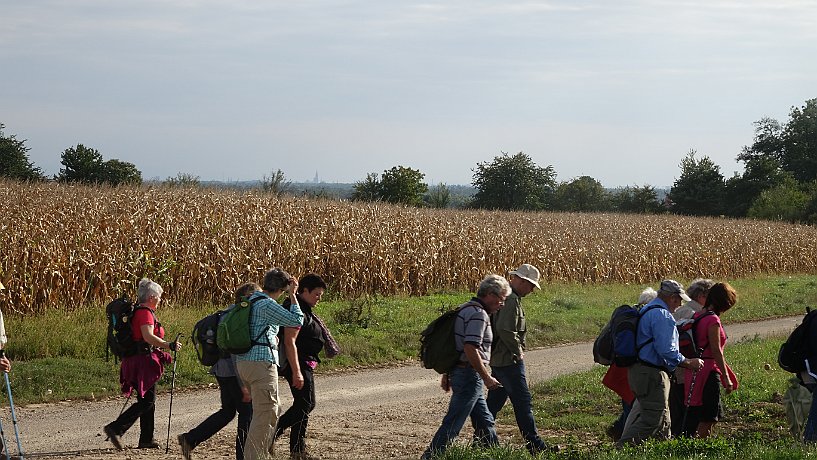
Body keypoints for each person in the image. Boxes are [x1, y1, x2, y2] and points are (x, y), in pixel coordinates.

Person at [421, 274, 511, 460]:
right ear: (488, 294)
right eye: (501, 299)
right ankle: (431, 457)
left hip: (463, 373)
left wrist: (449, 372)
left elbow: (456, 345)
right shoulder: (479, 315)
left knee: (485, 421)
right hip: (470, 375)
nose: (502, 304)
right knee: (453, 422)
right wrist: (486, 376)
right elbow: (470, 347)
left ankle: (494, 454)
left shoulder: (466, 308)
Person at [617, 279, 704, 446]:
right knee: (653, 420)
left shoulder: (648, 310)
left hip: (641, 372)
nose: (679, 304)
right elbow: (667, 350)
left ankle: (662, 449)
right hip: (652, 374)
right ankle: (619, 450)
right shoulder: (662, 315)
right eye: (679, 300)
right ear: (672, 298)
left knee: (663, 418)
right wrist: (687, 362)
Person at [178, 282, 260, 460]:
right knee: (247, 413)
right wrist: (243, 384)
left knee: (228, 411)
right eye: (257, 297)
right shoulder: (237, 317)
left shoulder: (226, 313)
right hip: (233, 372)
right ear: (247, 298)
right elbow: (235, 353)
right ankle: (243, 456)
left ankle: (190, 439)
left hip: (221, 370)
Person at [476, 264, 550, 455]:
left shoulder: (507, 297)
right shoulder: (510, 299)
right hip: (508, 359)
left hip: (499, 359)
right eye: (531, 285)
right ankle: (535, 445)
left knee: (495, 401)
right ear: (521, 281)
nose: (532, 289)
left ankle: (481, 440)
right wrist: (517, 351)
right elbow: (506, 329)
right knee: (523, 402)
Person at [104, 278, 182, 450]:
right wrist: (168, 345)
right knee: (147, 401)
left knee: (147, 400)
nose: (161, 300)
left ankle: (146, 439)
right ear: (152, 297)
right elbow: (147, 337)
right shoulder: (144, 312)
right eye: (159, 296)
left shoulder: (141, 311)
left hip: (139, 359)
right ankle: (116, 428)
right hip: (142, 361)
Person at [235, 268, 304, 460]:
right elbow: (296, 320)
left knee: (268, 410)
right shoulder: (266, 304)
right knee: (266, 412)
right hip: (261, 363)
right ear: (281, 288)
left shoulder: (249, 300)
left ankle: (259, 453)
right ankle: (254, 457)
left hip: (244, 363)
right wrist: (293, 294)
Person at [275, 273, 340, 460]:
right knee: (306, 404)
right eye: (316, 294)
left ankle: (297, 450)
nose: (319, 298)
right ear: (304, 291)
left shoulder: (304, 308)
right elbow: (290, 342)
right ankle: (276, 434)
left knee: (304, 404)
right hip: (297, 363)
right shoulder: (295, 309)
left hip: (304, 362)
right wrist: (296, 371)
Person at [683, 282, 738, 438]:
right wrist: (726, 377)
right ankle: (701, 447)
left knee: (701, 413)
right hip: (708, 371)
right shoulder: (713, 320)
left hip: (695, 370)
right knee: (710, 416)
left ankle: (699, 443)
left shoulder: (698, 315)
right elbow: (716, 350)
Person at [602, 287, 657, 441]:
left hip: (620, 366)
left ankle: (619, 430)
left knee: (629, 403)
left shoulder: (629, 317)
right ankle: (624, 438)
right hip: (634, 368)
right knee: (633, 405)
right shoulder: (646, 319)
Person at [670, 278, 715, 437]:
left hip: (676, 368)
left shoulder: (683, 310)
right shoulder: (693, 314)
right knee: (687, 412)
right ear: (702, 296)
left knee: (678, 411)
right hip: (687, 369)